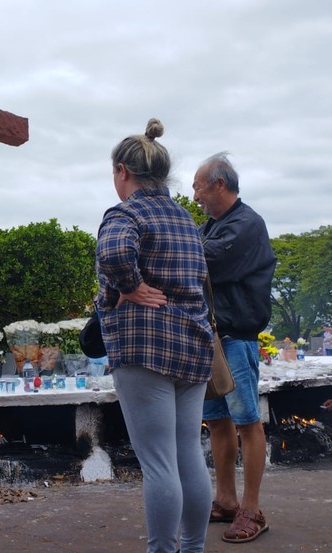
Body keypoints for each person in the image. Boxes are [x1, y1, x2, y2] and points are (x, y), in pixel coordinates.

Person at [96, 119, 214, 553]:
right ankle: (193, 548)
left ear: (123, 171)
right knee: (187, 455)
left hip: (145, 348)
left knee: (159, 463)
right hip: (194, 349)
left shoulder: (126, 213)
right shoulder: (187, 219)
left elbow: (112, 253)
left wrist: (127, 287)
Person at [193, 152, 277, 544]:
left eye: (198, 188)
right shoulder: (212, 225)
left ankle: (252, 508)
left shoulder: (246, 225)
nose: (195, 197)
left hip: (237, 338)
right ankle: (225, 499)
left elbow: (206, 262)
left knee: (246, 422)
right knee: (218, 422)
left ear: (219, 185)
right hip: (210, 339)